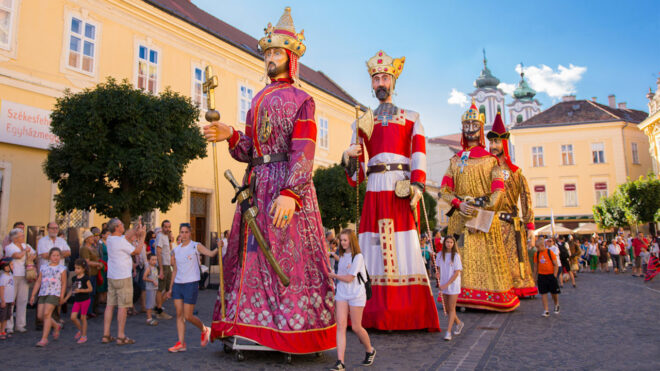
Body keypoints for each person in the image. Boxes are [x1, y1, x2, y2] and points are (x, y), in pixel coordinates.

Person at [204, 7, 337, 354]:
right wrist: (229, 134)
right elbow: (249, 149)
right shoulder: (257, 100)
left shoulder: (302, 100)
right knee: (251, 256)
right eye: (267, 53)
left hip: (283, 187)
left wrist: (291, 193)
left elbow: (304, 150)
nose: (270, 59)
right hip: (256, 185)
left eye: (277, 52)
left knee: (285, 256)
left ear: (291, 58)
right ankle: (248, 326)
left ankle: (290, 329)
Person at [341, 49, 439, 330]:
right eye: (376, 79)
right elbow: (357, 171)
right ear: (371, 85)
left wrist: (418, 185)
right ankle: (369, 310)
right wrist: (348, 157)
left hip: (400, 188)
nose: (380, 83)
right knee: (371, 245)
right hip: (374, 187)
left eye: (385, 78)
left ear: (393, 82)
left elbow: (419, 153)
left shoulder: (411, 117)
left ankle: (408, 310)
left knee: (404, 243)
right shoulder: (361, 122)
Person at [439, 99, 519, 312]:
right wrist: (458, 203)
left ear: (481, 129)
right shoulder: (455, 160)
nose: (470, 130)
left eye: (474, 126)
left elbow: (499, 191)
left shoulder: (492, 161)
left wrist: (482, 205)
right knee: (460, 255)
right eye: (466, 127)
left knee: (486, 257)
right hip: (460, 216)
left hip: (483, 216)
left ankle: (489, 297)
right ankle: (459, 296)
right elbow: (444, 190)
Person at [487, 112, 537, 298]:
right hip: (490, 223)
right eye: (491, 142)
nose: (493, 146)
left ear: (504, 144)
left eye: (497, 142)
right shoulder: (485, 170)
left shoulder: (516, 172)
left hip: (510, 223)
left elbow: (526, 198)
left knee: (514, 259)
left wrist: (530, 225)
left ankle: (517, 287)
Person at [165, 223, 218, 353]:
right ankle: (181, 343)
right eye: (181, 232)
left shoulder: (195, 246)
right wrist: (171, 288)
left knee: (188, 316)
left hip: (191, 284)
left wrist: (218, 247)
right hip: (178, 284)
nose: (184, 235)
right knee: (179, 314)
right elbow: (175, 270)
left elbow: (210, 254)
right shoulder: (176, 250)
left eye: (186, 232)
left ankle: (205, 329)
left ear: (190, 233)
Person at [328, 229, 375, 370]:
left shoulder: (358, 257)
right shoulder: (342, 255)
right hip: (342, 293)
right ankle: (340, 361)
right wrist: (330, 254)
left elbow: (349, 278)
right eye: (341, 240)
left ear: (351, 241)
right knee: (341, 326)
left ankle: (370, 350)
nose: (342, 243)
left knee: (356, 327)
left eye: (344, 240)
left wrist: (333, 276)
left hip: (356, 294)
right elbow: (342, 263)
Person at [101, 218, 145, 345]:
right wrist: (142, 237)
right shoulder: (121, 241)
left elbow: (127, 235)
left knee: (110, 305)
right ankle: (121, 336)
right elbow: (136, 251)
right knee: (123, 307)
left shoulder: (110, 239)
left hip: (112, 276)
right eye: (121, 224)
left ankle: (106, 334)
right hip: (123, 276)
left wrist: (136, 227)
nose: (123, 225)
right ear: (116, 227)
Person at [29, 248, 67, 347]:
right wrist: (33, 294)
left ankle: (44, 338)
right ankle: (56, 325)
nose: (55, 258)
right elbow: (38, 281)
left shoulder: (62, 268)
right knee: (40, 316)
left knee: (46, 314)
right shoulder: (43, 267)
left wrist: (62, 296)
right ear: (50, 256)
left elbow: (64, 283)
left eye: (58, 255)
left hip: (54, 293)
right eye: (54, 255)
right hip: (43, 292)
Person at [3, 227, 36, 333]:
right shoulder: (10, 247)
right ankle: (9, 325)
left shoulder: (26, 245)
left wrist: (31, 256)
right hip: (13, 276)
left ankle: (20, 324)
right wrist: (25, 251)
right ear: (15, 238)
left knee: (22, 300)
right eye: (21, 235)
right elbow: (16, 256)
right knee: (10, 300)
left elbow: (34, 254)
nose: (23, 237)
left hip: (24, 275)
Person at [435, 236, 464, 341]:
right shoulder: (439, 255)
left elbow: (457, 272)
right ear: (444, 243)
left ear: (453, 244)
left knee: (451, 308)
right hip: (443, 283)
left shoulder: (456, 256)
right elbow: (438, 268)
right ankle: (459, 323)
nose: (449, 244)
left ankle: (448, 332)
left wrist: (447, 284)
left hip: (453, 285)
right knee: (447, 309)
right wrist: (437, 273)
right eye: (447, 242)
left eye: (451, 242)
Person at [65, 258, 93, 344]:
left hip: (85, 300)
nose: (76, 270)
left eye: (78, 268)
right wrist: (65, 299)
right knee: (73, 317)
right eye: (75, 268)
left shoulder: (85, 278)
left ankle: (84, 336)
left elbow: (90, 289)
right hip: (77, 300)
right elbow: (73, 290)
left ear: (83, 269)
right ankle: (81, 330)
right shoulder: (74, 278)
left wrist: (81, 291)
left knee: (83, 317)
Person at [534, 239, 560, 317]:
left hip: (551, 275)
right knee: (543, 293)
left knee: (554, 293)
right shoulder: (537, 254)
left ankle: (556, 304)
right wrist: (534, 277)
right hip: (542, 275)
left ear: (542, 245)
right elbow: (535, 266)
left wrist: (554, 275)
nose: (537, 249)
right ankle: (546, 310)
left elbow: (555, 264)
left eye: (538, 247)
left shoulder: (550, 252)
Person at [79, 230, 102, 317]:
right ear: (87, 239)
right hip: (89, 273)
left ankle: (90, 310)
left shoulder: (93, 247)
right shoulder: (84, 249)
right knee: (88, 293)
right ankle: (86, 311)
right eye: (91, 237)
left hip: (95, 272)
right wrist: (97, 264)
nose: (93, 238)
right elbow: (87, 261)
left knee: (93, 293)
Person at [155, 220, 173, 320]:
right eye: (166, 227)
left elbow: (169, 250)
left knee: (169, 288)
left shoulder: (167, 237)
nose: (167, 229)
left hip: (168, 264)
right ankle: (159, 310)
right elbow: (158, 253)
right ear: (162, 227)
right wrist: (161, 269)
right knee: (160, 289)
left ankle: (157, 307)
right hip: (162, 265)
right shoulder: (160, 236)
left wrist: (170, 240)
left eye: (169, 227)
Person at [0, 258, 14, 340]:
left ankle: (3, 331)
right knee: (1, 317)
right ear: (5, 267)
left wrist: (12, 299)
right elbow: (1, 289)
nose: (13, 266)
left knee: (6, 317)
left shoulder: (11, 276)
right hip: (4, 301)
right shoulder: (3, 277)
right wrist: (2, 300)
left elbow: (11, 288)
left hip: (9, 300)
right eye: (11, 265)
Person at [143, 253, 159, 326]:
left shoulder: (155, 268)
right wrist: (152, 281)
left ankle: (150, 317)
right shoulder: (148, 268)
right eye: (152, 260)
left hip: (154, 288)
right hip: (150, 288)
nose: (154, 261)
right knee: (149, 303)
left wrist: (158, 277)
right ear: (149, 260)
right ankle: (149, 318)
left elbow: (154, 276)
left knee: (152, 303)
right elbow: (144, 277)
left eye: (155, 260)